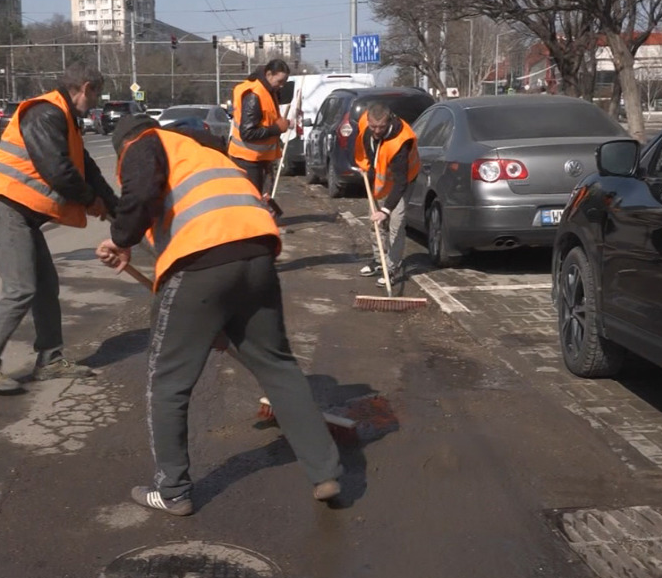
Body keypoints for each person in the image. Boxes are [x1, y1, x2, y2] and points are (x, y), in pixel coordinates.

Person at [95, 114, 343, 516]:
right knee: (278, 367)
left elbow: (140, 196)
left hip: (202, 264)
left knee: (168, 382)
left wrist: (121, 239)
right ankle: (326, 473)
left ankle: (172, 489)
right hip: (257, 254)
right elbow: (191, 215)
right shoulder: (205, 151)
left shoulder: (144, 143)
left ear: (125, 143)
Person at [0, 65, 118, 392]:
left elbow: (84, 166)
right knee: (21, 288)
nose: (96, 103)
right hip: (5, 209)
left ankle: (50, 360)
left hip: (23, 215)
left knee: (45, 287)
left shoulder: (65, 117)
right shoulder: (45, 113)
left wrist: (114, 206)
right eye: (96, 95)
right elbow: (58, 172)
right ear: (86, 87)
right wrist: (91, 201)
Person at [355, 103, 420, 289]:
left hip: (404, 179)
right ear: (368, 121)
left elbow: (401, 182)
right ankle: (379, 261)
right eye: (373, 126)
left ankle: (391, 269)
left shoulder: (402, 142)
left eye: (381, 127)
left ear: (389, 120)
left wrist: (385, 209)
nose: (376, 131)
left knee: (395, 223)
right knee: (375, 221)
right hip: (383, 177)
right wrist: (367, 171)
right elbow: (369, 153)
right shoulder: (367, 129)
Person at [228, 59, 291, 216]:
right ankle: (251, 232)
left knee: (258, 200)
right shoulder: (254, 96)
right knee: (250, 202)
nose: (282, 85)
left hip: (259, 158)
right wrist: (276, 128)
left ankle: (256, 226)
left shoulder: (269, 91)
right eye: (280, 81)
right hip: (247, 158)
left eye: (285, 82)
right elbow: (247, 133)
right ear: (269, 74)